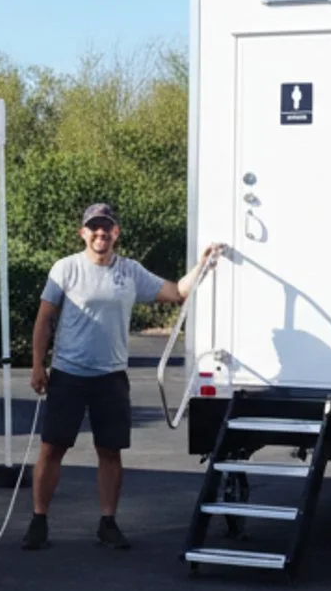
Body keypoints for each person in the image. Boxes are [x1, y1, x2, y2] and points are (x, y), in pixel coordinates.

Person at [25, 203, 220, 551]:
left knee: (110, 451)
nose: (101, 233)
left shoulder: (130, 271)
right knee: (52, 448)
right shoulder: (65, 269)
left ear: (116, 232)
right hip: (68, 375)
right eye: (94, 227)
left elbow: (177, 292)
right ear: (83, 232)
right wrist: (38, 365)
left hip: (111, 377)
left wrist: (202, 264)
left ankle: (108, 522)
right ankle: (39, 520)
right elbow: (44, 319)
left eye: (107, 227)